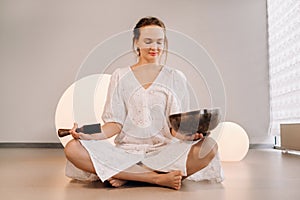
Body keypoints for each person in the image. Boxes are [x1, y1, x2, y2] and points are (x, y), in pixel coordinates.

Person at [64, 16, 218, 190]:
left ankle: (127, 175)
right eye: (148, 41)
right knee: (73, 148)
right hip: (125, 153)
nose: (154, 47)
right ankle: (155, 178)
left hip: (163, 152)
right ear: (136, 42)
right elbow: (113, 124)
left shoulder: (176, 77)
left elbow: (175, 129)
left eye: (159, 42)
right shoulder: (120, 75)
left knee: (209, 147)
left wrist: (190, 135)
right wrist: (85, 131)